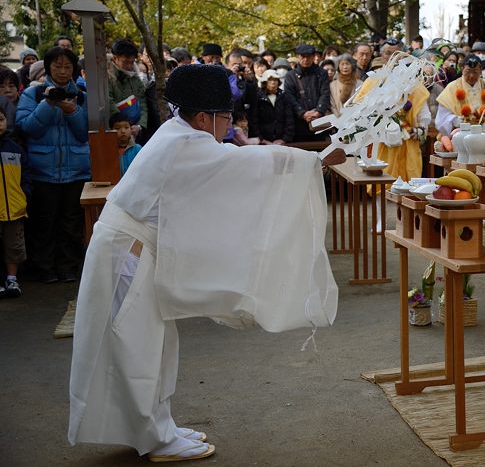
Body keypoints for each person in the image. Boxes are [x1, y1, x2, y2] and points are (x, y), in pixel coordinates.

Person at [68, 63, 344, 462]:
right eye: (226, 118)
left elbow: (232, 167)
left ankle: (157, 425)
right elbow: (243, 166)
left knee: (153, 346)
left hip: (133, 249)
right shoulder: (185, 143)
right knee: (138, 346)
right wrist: (317, 161)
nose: (230, 126)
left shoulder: (177, 134)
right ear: (203, 117)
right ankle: (155, 437)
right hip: (129, 253)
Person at [16, 46, 89, 283]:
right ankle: (44, 268)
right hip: (43, 170)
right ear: (47, 68)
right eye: (57, 66)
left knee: (71, 222)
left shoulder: (82, 95)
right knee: (44, 222)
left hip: (76, 170)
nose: (62, 71)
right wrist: (48, 104)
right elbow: (27, 128)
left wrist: (72, 111)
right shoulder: (33, 94)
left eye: (67, 66)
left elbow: (84, 134)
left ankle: (69, 266)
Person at [0, 107, 30, 298]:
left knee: (14, 246)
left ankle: (12, 279)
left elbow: (26, 175)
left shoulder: (15, 149)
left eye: (0, 119)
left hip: (14, 208)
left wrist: (24, 193)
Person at [435, 54, 485, 135]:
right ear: (462, 69)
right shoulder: (452, 87)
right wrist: (455, 120)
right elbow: (442, 117)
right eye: (468, 72)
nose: (471, 76)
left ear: (481, 71)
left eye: (475, 72)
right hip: (460, 134)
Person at [282, 43, 331, 143]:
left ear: (313, 56)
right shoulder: (290, 75)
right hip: (298, 124)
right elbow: (289, 97)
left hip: (319, 121)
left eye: (308, 57)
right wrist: (302, 113)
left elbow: (325, 93)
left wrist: (318, 111)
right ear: (298, 57)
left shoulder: (322, 73)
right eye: (302, 57)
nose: (305, 60)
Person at [108, 38, 149, 137]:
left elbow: (143, 102)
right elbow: (109, 102)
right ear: (115, 58)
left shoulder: (135, 77)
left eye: (132, 62)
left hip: (135, 130)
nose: (129, 66)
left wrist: (140, 125)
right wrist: (125, 126)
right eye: (126, 62)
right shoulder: (108, 77)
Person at [255, 69, 299, 144]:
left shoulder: (284, 96)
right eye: (270, 80)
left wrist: (285, 139)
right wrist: (261, 139)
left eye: (275, 80)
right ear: (265, 82)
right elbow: (254, 119)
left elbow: (289, 119)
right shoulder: (258, 97)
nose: (273, 82)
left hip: (282, 141)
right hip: (262, 141)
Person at [109, 112, 141, 177]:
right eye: (117, 128)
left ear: (131, 129)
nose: (123, 131)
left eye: (126, 127)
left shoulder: (138, 149)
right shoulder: (108, 150)